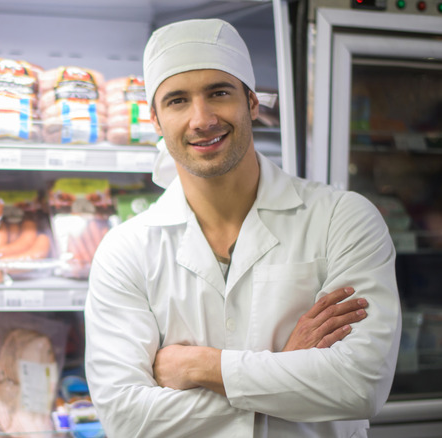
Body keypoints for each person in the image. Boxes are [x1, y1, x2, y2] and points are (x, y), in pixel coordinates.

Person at [84, 18, 401, 437]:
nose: (202, 118)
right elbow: (125, 418)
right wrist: (287, 369)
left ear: (252, 103)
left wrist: (200, 366)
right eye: (178, 101)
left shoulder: (342, 219)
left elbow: (360, 383)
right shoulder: (126, 249)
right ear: (156, 121)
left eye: (218, 92)